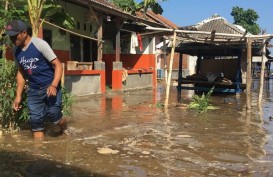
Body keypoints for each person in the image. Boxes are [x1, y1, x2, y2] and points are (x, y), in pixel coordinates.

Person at [4, 19, 66, 140]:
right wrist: (18, 96)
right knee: (36, 122)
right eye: (10, 37)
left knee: (54, 116)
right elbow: (21, 72)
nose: (12, 39)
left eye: (14, 36)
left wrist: (54, 85)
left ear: (24, 33)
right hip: (33, 90)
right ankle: (39, 153)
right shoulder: (16, 50)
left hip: (50, 87)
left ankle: (65, 127)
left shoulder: (39, 44)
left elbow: (58, 65)